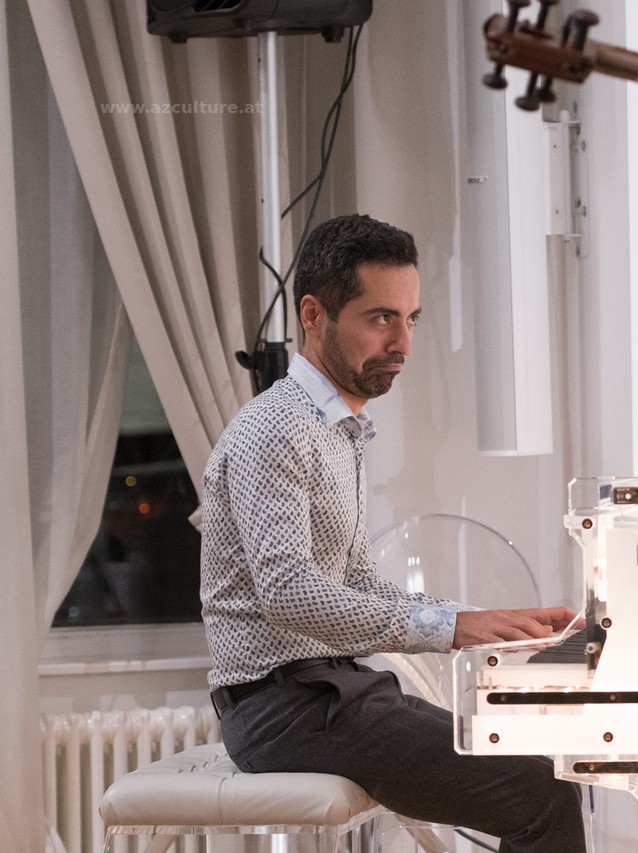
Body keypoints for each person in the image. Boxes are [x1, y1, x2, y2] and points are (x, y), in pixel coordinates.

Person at [200, 213, 587, 852]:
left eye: (411, 319)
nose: (402, 342)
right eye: (381, 318)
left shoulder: (337, 430)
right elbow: (287, 593)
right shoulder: (274, 428)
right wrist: (455, 629)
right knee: (540, 790)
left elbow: (357, 583)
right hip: (281, 711)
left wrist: (480, 619)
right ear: (314, 315)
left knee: (540, 768)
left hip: (332, 688)